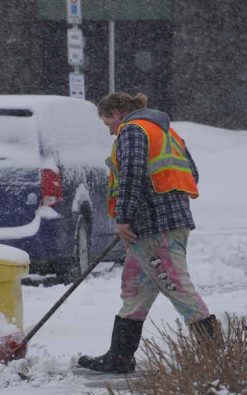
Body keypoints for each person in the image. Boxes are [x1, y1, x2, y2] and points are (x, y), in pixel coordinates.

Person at [77, 92, 219, 374]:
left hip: (155, 226)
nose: (109, 130)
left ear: (118, 113)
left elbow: (131, 175)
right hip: (167, 221)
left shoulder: (132, 130)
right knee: (134, 288)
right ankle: (119, 357)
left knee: (177, 286)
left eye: (108, 122)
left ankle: (217, 355)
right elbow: (191, 173)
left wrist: (124, 218)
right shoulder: (166, 131)